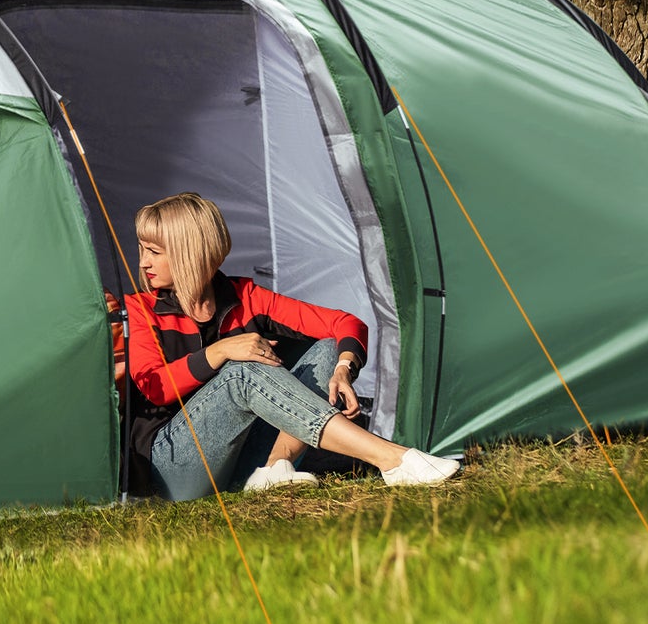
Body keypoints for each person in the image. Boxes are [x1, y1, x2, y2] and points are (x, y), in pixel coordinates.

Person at [127, 192, 460, 498]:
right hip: (173, 467)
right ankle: (392, 458)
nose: (143, 263)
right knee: (243, 373)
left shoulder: (246, 298)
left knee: (327, 350)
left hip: (240, 460)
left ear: (191, 252)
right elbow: (154, 388)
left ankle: (274, 467)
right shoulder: (140, 310)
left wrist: (344, 368)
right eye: (143, 250)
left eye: (154, 252)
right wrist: (221, 351)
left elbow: (344, 324)